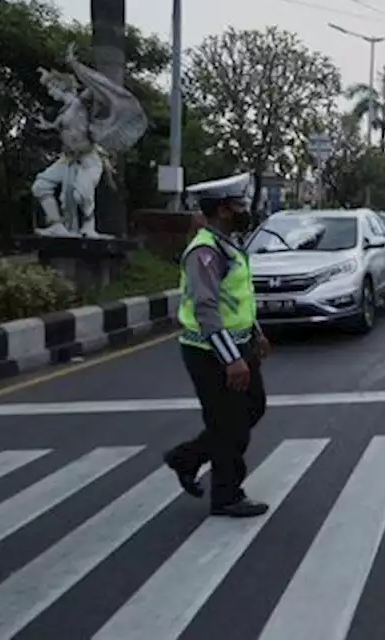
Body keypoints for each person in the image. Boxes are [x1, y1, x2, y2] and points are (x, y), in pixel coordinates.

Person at [164, 173, 272, 518]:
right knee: (230, 424)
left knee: (253, 407)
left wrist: (255, 333)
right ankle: (226, 494)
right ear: (224, 210)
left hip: (237, 346)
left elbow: (236, 299)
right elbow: (206, 307)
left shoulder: (228, 243)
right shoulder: (205, 251)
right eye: (239, 205)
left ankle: (187, 457)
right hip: (209, 352)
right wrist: (231, 360)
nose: (245, 210)